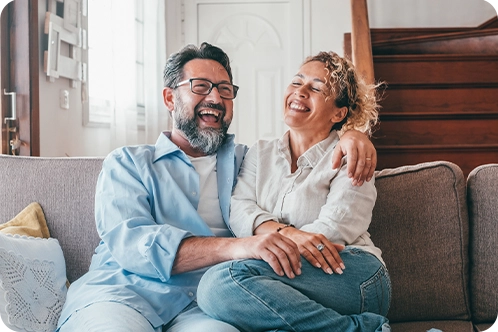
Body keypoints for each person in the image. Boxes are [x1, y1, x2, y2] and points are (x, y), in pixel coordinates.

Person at [57, 42, 378, 332]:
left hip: (202, 306)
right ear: (169, 97)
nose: (215, 98)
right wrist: (241, 247)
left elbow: (312, 156)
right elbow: (133, 244)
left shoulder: (245, 160)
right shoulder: (127, 164)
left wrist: (353, 135)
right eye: (201, 87)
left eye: (225, 90)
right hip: (122, 296)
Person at [196, 51, 391, 332]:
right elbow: (239, 209)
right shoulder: (260, 153)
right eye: (297, 82)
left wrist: (273, 240)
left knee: (219, 283)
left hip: (351, 272)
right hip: (290, 280)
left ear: (339, 113)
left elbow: (333, 229)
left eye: (315, 88)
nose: (300, 92)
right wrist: (286, 234)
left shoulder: (352, 154)